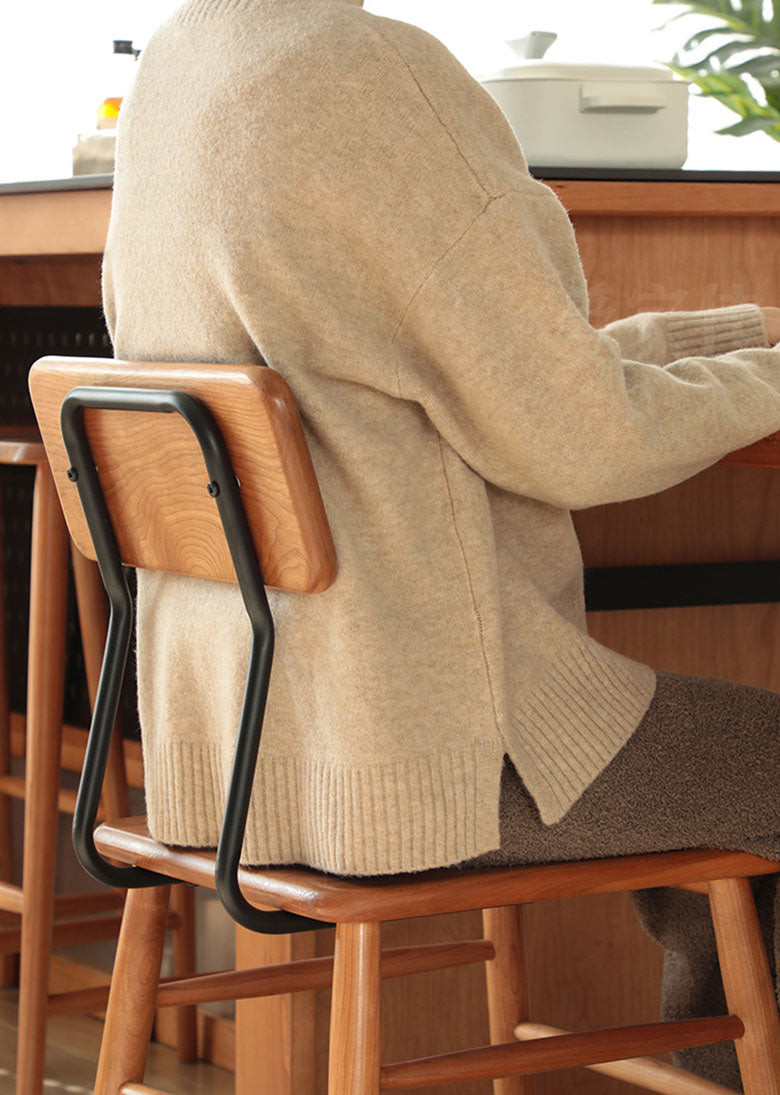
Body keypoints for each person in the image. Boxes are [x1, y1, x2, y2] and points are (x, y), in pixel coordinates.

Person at [101, 0, 780, 1085]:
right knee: (763, 763)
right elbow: (578, 442)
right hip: (431, 752)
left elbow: (399, 385)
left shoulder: (185, 63)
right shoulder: (367, 68)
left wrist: (723, 344)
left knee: (709, 763)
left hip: (242, 753)